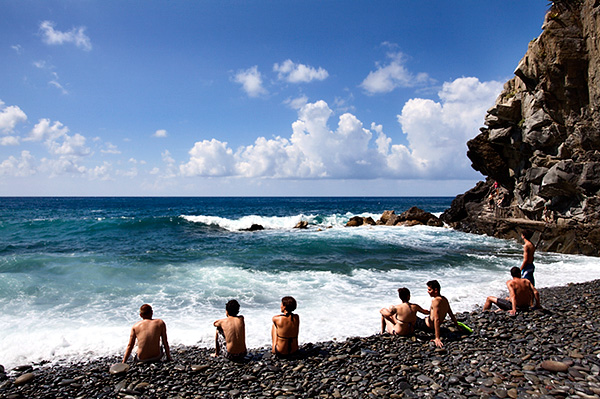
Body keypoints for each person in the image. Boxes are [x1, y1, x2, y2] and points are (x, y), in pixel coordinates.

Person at [415, 280, 459, 348]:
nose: (428, 291)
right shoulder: (444, 299)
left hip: (426, 326)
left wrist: (437, 338)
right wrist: (458, 326)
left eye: (429, 290)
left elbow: (436, 319)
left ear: (435, 290)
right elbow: (451, 314)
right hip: (429, 323)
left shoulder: (435, 301)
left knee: (411, 317)